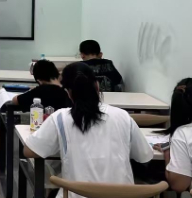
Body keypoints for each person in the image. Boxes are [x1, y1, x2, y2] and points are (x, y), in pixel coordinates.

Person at [23, 62, 152, 198]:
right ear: (97, 86)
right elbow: (144, 155)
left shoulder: (60, 118)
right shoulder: (123, 116)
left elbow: (29, 151)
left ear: (68, 92)